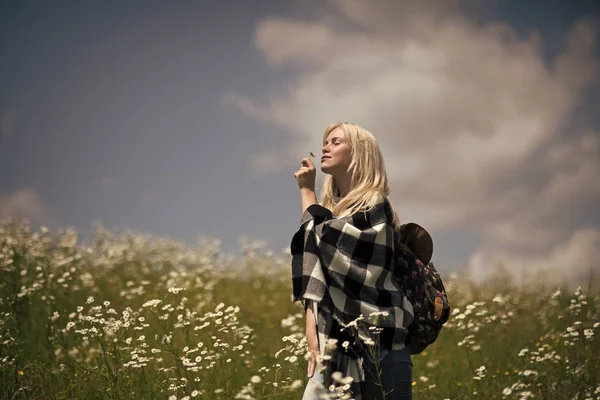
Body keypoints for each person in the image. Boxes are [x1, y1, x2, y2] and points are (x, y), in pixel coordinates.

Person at [291, 122, 415, 400]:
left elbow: (319, 241)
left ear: (359, 153)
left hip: (383, 349)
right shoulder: (332, 214)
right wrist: (312, 334)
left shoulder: (374, 205)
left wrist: (307, 193)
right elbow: (318, 268)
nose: (325, 147)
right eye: (325, 142)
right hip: (337, 348)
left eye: (336, 142)